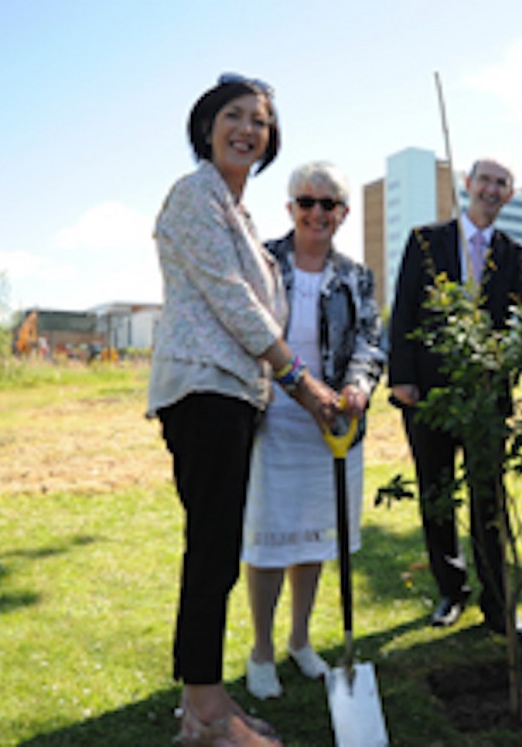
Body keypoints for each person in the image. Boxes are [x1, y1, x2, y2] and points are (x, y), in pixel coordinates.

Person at [147, 74, 339, 746]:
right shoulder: (194, 196)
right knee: (211, 554)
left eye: (260, 121)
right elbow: (235, 302)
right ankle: (204, 715)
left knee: (217, 551)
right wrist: (302, 382)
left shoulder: (240, 213)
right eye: (235, 116)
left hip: (233, 395)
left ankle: (207, 701)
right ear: (206, 126)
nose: (248, 129)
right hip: (205, 391)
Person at [242, 162, 385, 699]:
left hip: (333, 425)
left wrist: (359, 386)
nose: (317, 213)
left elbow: (371, 339)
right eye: (307, 202)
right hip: (271, 420)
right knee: (268, 538)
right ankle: (261, 650)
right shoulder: (262, 261)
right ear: (290, 208)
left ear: (343, 214)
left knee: (314, 538)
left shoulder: (356, 274)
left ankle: (300, 642)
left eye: (329, 205)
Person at [388, 158, 522, 638]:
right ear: (468, 185)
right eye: (486, 180)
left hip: (487, 399)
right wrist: (402, 377)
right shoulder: (425, 242)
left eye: (502, 183)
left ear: (510, 195)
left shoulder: (515, 256)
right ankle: (451, 590)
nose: (492, 190)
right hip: (428, 394)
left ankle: (498, 604)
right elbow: (405, 308)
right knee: (436, 494)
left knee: (488, 500)